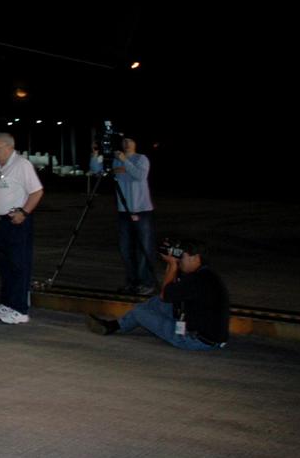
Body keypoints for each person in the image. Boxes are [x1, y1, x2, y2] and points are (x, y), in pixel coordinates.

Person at [87, 238, 229, 350]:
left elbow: (165, 294)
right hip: (198, 327)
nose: (179, 260)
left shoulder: (198, 280)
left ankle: (118, 325)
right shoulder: (205, 274)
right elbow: (170, 292)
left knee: (140, 312)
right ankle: (114, 325)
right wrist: (171, 262)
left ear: (196, 258)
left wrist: (173, 265)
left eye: (182, 257)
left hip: (194, 340)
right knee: (156, 303)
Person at [0, 132, 43, 325]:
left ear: (9, 148)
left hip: (16, 222)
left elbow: (37, 191)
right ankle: (7, 303)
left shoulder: (21, 165)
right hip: (0, 222)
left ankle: (20, 309)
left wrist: (24, 212)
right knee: (4, 265)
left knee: (19, 265)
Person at [90, 137, 156, 295]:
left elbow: (140, 175)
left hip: (141, 210)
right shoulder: (116, 160)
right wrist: (95, 154)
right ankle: (132, 282)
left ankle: (146, 282)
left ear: (135, 143)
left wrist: (125, 162)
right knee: (126, 248)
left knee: (143, 247)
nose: (126, 144)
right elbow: (98, 171)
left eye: (130, 141)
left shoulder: (141, 158)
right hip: (123, 211)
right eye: (124, 141)